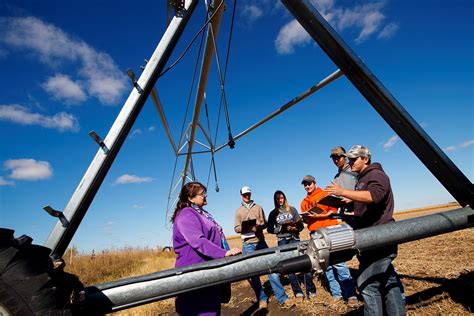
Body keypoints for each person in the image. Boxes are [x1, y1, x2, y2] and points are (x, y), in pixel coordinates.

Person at [325, 145, 406, 315]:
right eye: (350, 158)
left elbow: (373, 196)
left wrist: (342, 191)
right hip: (371, 237)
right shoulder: (361, 179)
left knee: (367, 284)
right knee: (387, 282)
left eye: (354, 158)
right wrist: (347, 200)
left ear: (366, 159)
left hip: (380, 236)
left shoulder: (376, 174)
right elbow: (365, 204)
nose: (351, 161)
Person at [172, 182, 241, 315]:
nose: (206, 195)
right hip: (195, 273)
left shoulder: (202, 214)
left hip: (207, 269)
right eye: (202, 193)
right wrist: (224, 253)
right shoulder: (186, 214)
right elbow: (198, 241)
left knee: (212, 310)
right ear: (190, 198)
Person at [300, 175, 358, 307]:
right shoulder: (303, 202)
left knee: (340, 264)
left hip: (329, 232)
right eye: (305, 184)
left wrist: (319, 215)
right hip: (315, 234)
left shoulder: (324, 194)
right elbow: (306, 221)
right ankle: (337, 295)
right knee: (327, 266)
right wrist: (305, 217)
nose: (307, 186)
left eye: (309, 183)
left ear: (314, 183)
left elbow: (333, 211)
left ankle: (351, 295)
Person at [234, 186, 296, 310]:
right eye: (244, 194)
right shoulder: (238, 211)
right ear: (241, 195)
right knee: (253, 273)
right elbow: (236, 228)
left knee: (272, 269)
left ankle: (282, 298)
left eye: (248, 194)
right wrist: (246, 228)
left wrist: (258, 227)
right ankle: (262, 298)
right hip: (248, 244)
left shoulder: (258, 207)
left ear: (250, 194)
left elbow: (265, 223)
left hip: (261, 241)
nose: (247, 196)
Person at [267, 190, 317, 302]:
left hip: (295, 238)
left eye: (282, 197)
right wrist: (280, 229)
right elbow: (269, 229)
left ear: (284, 198)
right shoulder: (273, 213)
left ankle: (310, 289)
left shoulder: (292, 209)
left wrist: (296, 228)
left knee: (305, 263)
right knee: (289, 267)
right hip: (282, 241)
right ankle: (298, 292)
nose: (280, 200)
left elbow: (300, 225)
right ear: (275, 200)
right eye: (278, 198)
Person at [330, 146, 358, 227]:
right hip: (347, 216)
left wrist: (351, 198)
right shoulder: (336, 177)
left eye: (338, 158)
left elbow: (366, 190)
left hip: (359, 213)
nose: (336, 161)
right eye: (334, 159)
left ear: (345, 156)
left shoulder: (354, 170)